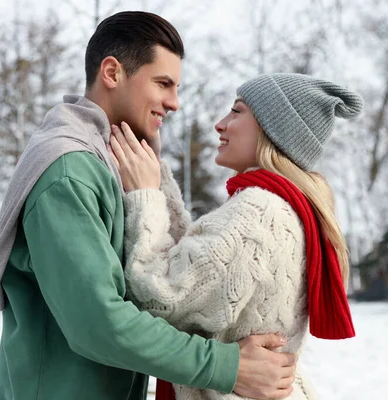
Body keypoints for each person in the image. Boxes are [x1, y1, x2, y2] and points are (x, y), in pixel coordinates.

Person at [0, 11, 297, 400]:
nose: (174, 103)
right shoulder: (68, 173)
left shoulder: (112, 161)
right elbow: (98, 323)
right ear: (113, 73)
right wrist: (227, 366)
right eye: (163, 83)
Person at [108, 73, 362, 399]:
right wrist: (159, 181)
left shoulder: (258, 210)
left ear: (274, 130)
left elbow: (163, 294)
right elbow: (204, 272)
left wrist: (144, 196)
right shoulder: (291, 207)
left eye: (237, 111)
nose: (221, 123)